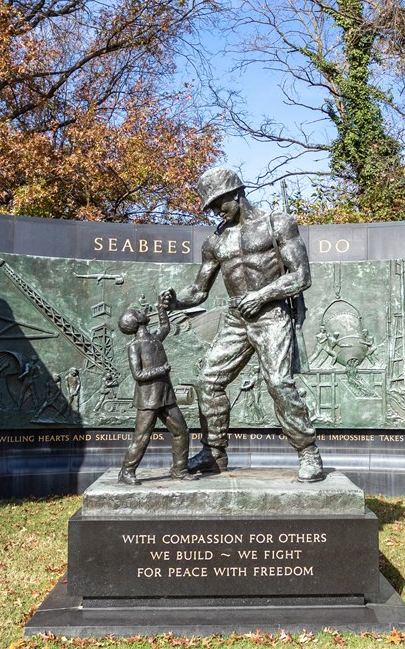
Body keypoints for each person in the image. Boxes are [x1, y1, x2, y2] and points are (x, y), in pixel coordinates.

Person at [161, 167, 326, 482]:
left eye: (218, 203)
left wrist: (262, 295)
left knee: (278, 383)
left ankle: (308, 451)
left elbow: (301, 276)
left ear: (236, 193)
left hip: (272, 315)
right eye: (210, 206)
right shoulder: (215, 242)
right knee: (208, 380)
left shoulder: (277, 224)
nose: (215, 211)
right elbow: (198, 291)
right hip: (237, 319)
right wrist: (177, 301)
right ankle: (214, 453)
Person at [116, 303, 196, 485]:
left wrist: (162, 309)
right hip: (148, 400)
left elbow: (166, 327)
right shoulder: (135, 346)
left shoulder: (154, 339)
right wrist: (162, 370)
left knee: (181, 432)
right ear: (136, 321)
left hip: (165, 396)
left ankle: (180, 470)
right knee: (141, 438)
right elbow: (138, 375)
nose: (141, 311)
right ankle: (126, 472)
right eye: (137, 312)